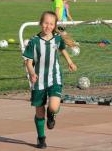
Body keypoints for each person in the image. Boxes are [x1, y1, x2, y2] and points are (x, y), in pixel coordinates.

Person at [23, 11, 77, 149]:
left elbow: (62, 49)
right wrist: (32, 73)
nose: (48, 26)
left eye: (51, 24)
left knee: (53, 106)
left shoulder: (57, 39)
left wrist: (70, 62)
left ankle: (51, 114)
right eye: (45, 23)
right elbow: (28, 62)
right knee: (39, 112)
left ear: (54, 26)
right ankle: (41, 138)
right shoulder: (33, 41)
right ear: (41, 23)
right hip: (38, 81)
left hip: (54, 78)